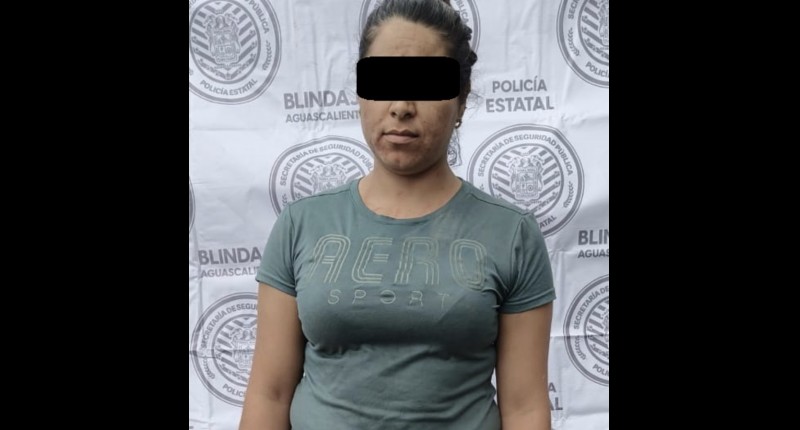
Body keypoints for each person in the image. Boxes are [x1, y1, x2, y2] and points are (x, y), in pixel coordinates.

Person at [238, 1, 555, 429]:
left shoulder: (512, 234)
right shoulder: (301, 225)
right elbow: (269, 394)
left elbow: (525, 407)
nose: (402, 105)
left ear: (461, 102)